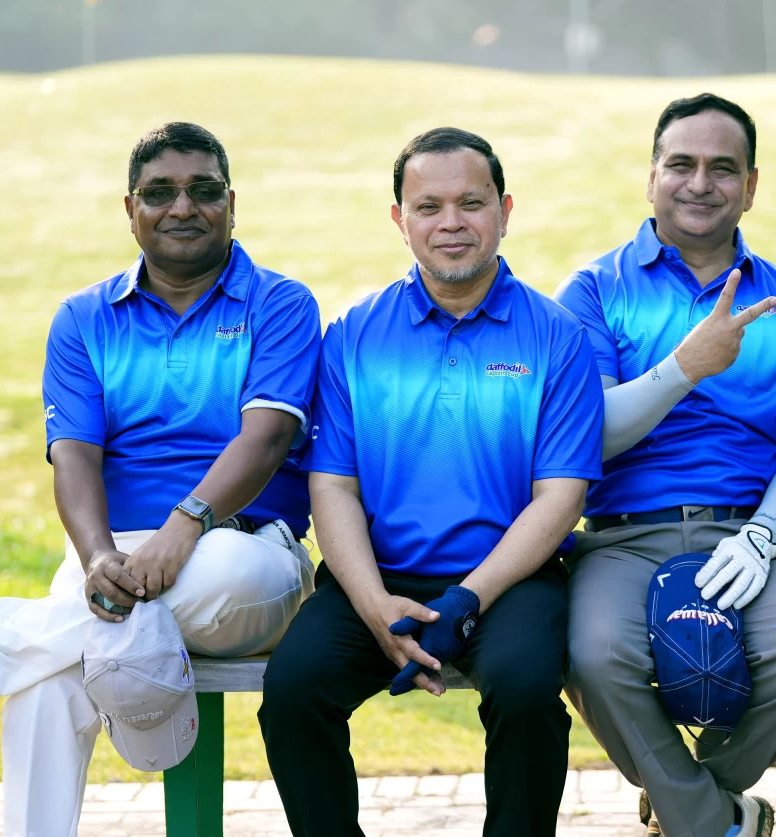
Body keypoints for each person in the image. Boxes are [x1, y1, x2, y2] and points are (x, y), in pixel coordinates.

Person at [0, 122, 320, 837]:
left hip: (248, 556)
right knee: (45, 681)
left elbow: (265, 439)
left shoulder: (281, 304)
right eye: (159, 193)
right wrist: (97, 555)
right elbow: (73, 456)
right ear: (130, 209)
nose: (182, 207)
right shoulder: (83, 319)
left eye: (203, 190)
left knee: (218, 570)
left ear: (232, 204)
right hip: (116, 555)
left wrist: (185, 527)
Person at [257, 127, 604, 837]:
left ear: (505, 211)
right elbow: (334, 489)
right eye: (428, 206)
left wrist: (466, 601)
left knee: (526, 694)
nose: (451, 223)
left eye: (471, 203)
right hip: (376, 576)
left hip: (510, 579)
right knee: (292, 692)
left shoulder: (557, 336)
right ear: (400, 219)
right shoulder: (353, 334)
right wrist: (374, 604)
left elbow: (561, 498)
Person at [555, 94, 776, 837]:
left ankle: (688, 802)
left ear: (751, 185)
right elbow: (589, 436)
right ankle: (720, 821)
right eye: (681, 164)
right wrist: (686, 366)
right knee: (591, 655)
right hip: (620, 537)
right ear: (651, 177)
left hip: (747, 533)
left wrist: (763, 537)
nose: (700, 183)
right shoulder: (593, 291)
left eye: (724, 168)